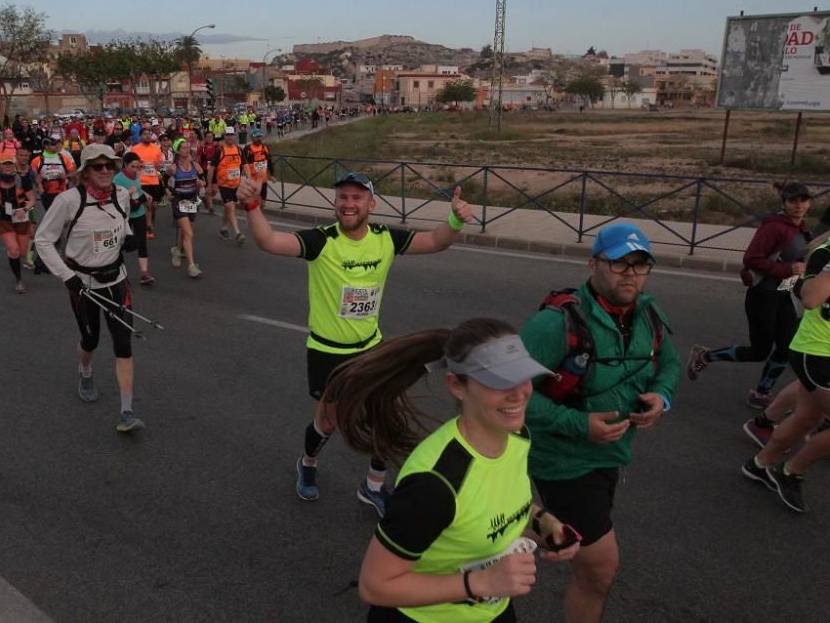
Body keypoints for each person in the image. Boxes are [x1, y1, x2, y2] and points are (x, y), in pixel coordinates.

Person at [236, 171, 473, 513]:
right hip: (327, 352)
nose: (349, 204)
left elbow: (436, 241)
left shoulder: (385, 239)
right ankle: (308, 463)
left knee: (384, 416)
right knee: (329, 420)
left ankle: (372, 486)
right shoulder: (322, 240)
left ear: (371, 204)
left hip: (371, 348)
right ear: (336, 204)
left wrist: (455, 219)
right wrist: (252, 204)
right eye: (343, 198)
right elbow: (269, 241)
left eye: (357, 197)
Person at [331, 318, 580, 623]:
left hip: (492, 611)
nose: (518, 394)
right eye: (499, 381)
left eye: (523, 376)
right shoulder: (433, 484)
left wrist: (545, 524)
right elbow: (374, 586)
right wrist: (479, 583)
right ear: (456, 386)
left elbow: (495, 501)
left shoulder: (516, 436)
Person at [518, 223, 678, 623]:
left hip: (611, 454)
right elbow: (505, 394)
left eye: (640, 265)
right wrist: (578, 424)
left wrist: (661, 397)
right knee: (600, 568)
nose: (630, 273)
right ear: (593, 264)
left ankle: (502, 523)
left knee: (587, 559)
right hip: (563, 459)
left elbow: (669, 365)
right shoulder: (555, 324)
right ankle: (498, 522)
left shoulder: (649, 313)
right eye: (619, 263)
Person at [34, 144, 144, 433]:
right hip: (83, 285)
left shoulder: (121, 194)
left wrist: (129, 237)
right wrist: (66, 276)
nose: (106, 170)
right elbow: (43, 241)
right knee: (91, 340)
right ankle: (85, 371)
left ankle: (127, 411)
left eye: (109, 165)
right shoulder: (69, 201)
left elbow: (122, 224)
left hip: (117, 281)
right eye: (98, 166)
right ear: (86, 172)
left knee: (123, 344)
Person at [687, 182, 812, 409]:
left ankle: (760, 393)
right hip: (762, 297)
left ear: (809, 202)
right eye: (793, 200)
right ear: (783, 203)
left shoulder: (802, 228)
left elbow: (798, 262)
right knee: (758, 351)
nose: (799, 205)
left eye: (803, 200)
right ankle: (705, 356)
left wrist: (800, 285)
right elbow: (752, 259)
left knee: (786, 348)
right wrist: (789, 270)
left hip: (783, 295)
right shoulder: (774, 227)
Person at [741, 236, 830, 513]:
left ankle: (759, 465)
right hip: (816, 352)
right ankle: (792, 471)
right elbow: (811, 299)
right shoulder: (824, 255)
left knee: (808, 417)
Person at [0, 157, 36, 294]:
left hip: (21, 220)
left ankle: (15, 256)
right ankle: (19, 280)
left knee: (23, 253)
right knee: (14, 250)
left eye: (10, 164)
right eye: (4, 164)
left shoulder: (23, 180)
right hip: (4, 220)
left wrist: (25, 210)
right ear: (0, 166)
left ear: (14, 165)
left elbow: (32, 200)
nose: (7, 166)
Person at [114, 151, 155, 285]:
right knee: (120, 244)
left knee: (142, 242)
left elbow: (137, 188)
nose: (136, 170)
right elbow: (113, 198)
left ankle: (144, 273)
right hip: (124, 215)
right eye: (133, 167)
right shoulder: (117, 179)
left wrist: (145, 194)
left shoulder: (136, 175)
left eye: (138, 167)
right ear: (125, 164)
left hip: (139, 212)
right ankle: (118, 273)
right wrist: (127, 193)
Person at [165, 137, 205, 278]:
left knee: (186, 231)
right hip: (179, 202)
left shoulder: (196, 165)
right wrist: (168, 193)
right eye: (183, 148)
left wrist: (201, 184)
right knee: (189, 234)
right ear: (177, 150)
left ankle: (177, 250)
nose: (187, 150)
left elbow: (202, 179)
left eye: (188, 147)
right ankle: (191, 266)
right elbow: (165, 182)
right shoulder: (173, 168)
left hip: (191, 201)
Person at [210, 127, 248, 244]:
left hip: (235, 183)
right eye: (228, 135)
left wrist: (250, 179)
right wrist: (211, 185)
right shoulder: (219, 150)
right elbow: (211, 169)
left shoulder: (238, 149)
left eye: (232, 135)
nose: (230, 137)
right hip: (223, 184)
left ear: (234, 136)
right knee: (231, 206)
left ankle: (223, 228)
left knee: (228, 207)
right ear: (224, 136)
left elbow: (245, 165)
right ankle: (237, 233)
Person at [130, 128, 166, 240]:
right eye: (145, 134)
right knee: (147, 204)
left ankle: (150, 220)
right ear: (140, 136)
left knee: (154, 205)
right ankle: (148, 227)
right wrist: (140, 166)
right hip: (141, 181)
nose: (147, 136)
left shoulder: (156, 149)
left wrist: (159, 165)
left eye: (149, 134)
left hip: (154, 180)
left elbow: (159, 165)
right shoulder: (135, 149)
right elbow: (131, 164)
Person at [31, 136, 77, 211]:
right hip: (46, 194)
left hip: (62, 193)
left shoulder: (64, 158)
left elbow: (73, 174)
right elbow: (32, 178)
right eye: (53, 144)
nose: (56, 146)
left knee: (62, 216)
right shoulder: (36, 161)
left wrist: (65, 176)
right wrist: (38, 184)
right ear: (46, 146)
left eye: (56, 143)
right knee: (51, 216)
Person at [242, 128, 276, 209]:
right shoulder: (247, 149)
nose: (259, 139)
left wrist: (273, 175)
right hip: (252, 181)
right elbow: (242, 164)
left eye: (260, 136)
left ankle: (257, 214)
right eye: (257, 137)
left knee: (262, 204)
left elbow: (270, 162)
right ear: (252, 138)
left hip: (263, 180)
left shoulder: (265, 147)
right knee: (254, 203)